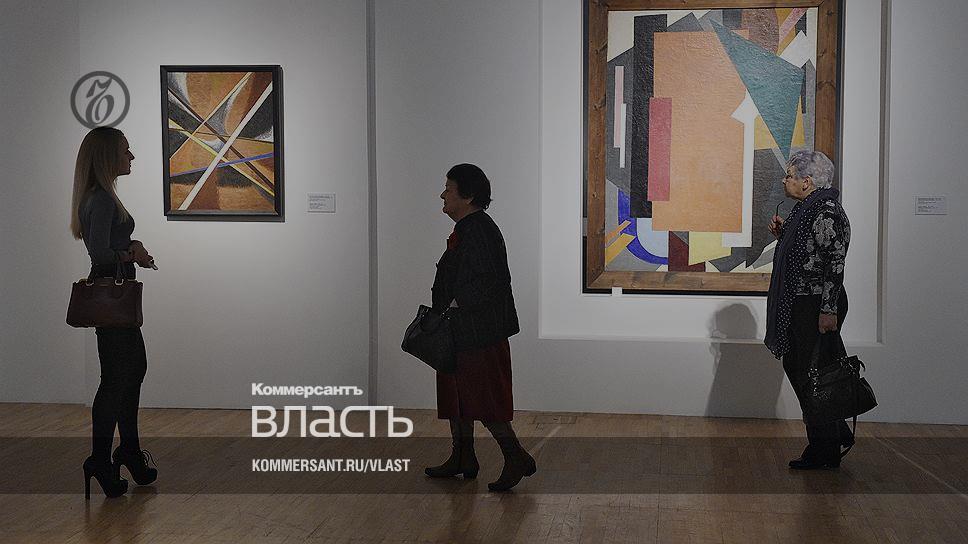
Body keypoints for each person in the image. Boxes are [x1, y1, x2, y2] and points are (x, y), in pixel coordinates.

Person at [424, 163, 536, 491]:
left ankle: (515, 456)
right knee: (458, 396)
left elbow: (492, 280)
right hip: (462, 331)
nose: (443, 195)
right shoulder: (471, 228)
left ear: (468, 195)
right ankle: (463, 457)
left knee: (483, 398)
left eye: (449, 189)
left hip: (478, 333)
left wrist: (455, 303)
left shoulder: (480, 230)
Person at [70, 127, 158, 498]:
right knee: (118, 377)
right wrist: (130, 253)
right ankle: (103, 459)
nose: (131, 156)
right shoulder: (103, 199)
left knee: (131, 371)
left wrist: (131, 245)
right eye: (125, 150)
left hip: (114, 297)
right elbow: (100, 253)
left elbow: (106, 244)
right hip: (113, 295)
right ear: (108, 156)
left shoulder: (100, 196)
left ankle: (126, 452)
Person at [765, 150, 853, 470]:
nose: (784, 180)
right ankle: (832, 433)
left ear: (807, 181)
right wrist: (784, 235)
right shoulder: (808, 210)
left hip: (816, 304)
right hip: (803, 302)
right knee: (805, 370)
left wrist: (828, 310)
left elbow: (835, 265)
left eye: (789, 175)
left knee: (812, 374)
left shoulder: (826, 212)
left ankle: (824, 448)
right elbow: (810, 253)